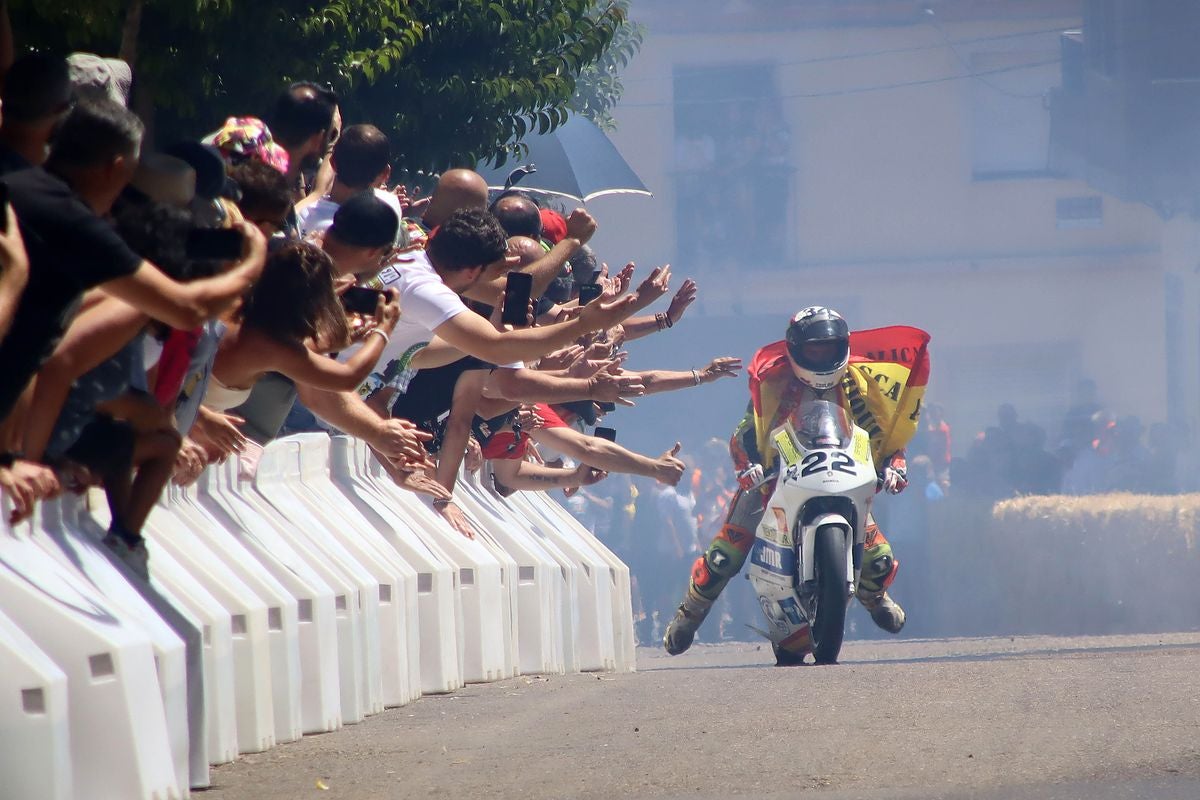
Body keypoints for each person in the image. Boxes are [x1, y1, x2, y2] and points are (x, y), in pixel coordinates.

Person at [663, 307, 931, 662]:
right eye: (814, 350)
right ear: (795, 350)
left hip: (839, 474)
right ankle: (689, 615)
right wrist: (748, 467)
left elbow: (886, 435)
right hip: (774, 479)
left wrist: (896, 464)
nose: (822, 357)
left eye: (829, 349)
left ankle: (874, 597)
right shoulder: (772, 383)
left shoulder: (859, 386)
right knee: (725, 553)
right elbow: (745, 433)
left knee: (880, 558)